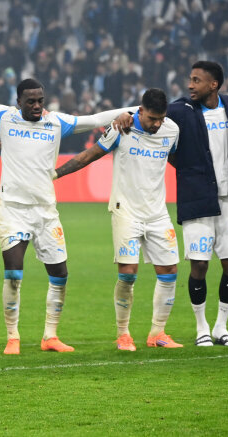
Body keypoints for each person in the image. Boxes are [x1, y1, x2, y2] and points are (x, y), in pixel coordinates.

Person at [0, 78, 133, 354]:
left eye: (40, 100)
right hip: (13, 210)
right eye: (30, 101)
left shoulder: (55, 122)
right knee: (14, 273)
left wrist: (132, 111)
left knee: (60, 274)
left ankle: (50, 336)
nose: (37, 106)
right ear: (18, 102)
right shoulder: (3, 116)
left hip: (46, 211)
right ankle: (13, 337)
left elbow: (94, 119)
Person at [54, 89, 184, 350]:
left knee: (169, 270)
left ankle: (158, 333)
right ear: (140, 111)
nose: (157, 124)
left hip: (158, 213)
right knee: (128, 274)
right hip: (126, 210)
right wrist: (54, 175)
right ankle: (123, 334)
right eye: (152, 119)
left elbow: (176, 160)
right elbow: (88, 155)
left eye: (161, 119)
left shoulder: (172, 130)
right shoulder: (121, 128)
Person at [167, 61, 228, 347]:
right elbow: (152, 113)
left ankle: (221, 327)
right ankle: (202, 328)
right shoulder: (181, 110)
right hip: (198, 200)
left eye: (196, 80)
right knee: (199, 265)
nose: (190, 85)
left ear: (214, 85)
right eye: (190, 79)